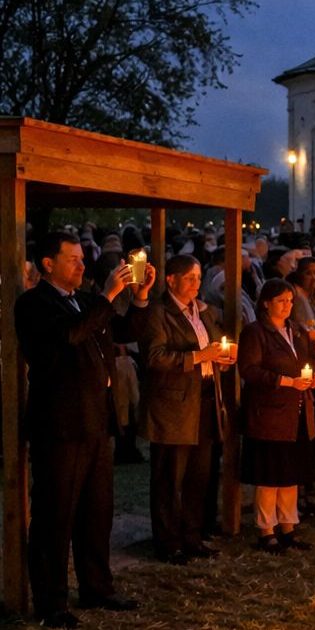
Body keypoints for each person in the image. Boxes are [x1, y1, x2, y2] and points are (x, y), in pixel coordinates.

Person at [15, 232, 151, 627]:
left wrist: (139, 296)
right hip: (60, 426)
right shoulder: (35, 304)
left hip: (96, 423)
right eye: (72, 259)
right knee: (54, 515)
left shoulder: (85, 300)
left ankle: (98, 587)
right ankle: (51, 602)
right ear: (47, 264)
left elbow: (125, 332)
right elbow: (69, 335)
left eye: (81, 258)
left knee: (97, 511)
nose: (82, 265)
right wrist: (107, 296)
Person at [138, 254, 234, 566]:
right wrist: (197, 356)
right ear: (171, 280)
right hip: (174, 405)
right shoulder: (159, 312)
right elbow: (154, 357)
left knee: (199, 474)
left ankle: (193, 536)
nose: (196, 284)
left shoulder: (201, 311)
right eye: (189, 278)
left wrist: (220, 356)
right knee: (170, 477)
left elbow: (211, 345)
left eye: (197, 278)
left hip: (205, 398)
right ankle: (168, 542)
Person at [238, 279, 315, 553]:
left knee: (290, 473)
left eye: (290, 301)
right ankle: (266, 529)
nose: (287, 306)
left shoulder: (296, 330)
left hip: (296, 412)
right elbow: (249, 370)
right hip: (269, 414)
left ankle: (288, 525)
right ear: (266, 303)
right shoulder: (255, 332)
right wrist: (286, 381)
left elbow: (314, 360)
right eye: (281, 301)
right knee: (269, 474)